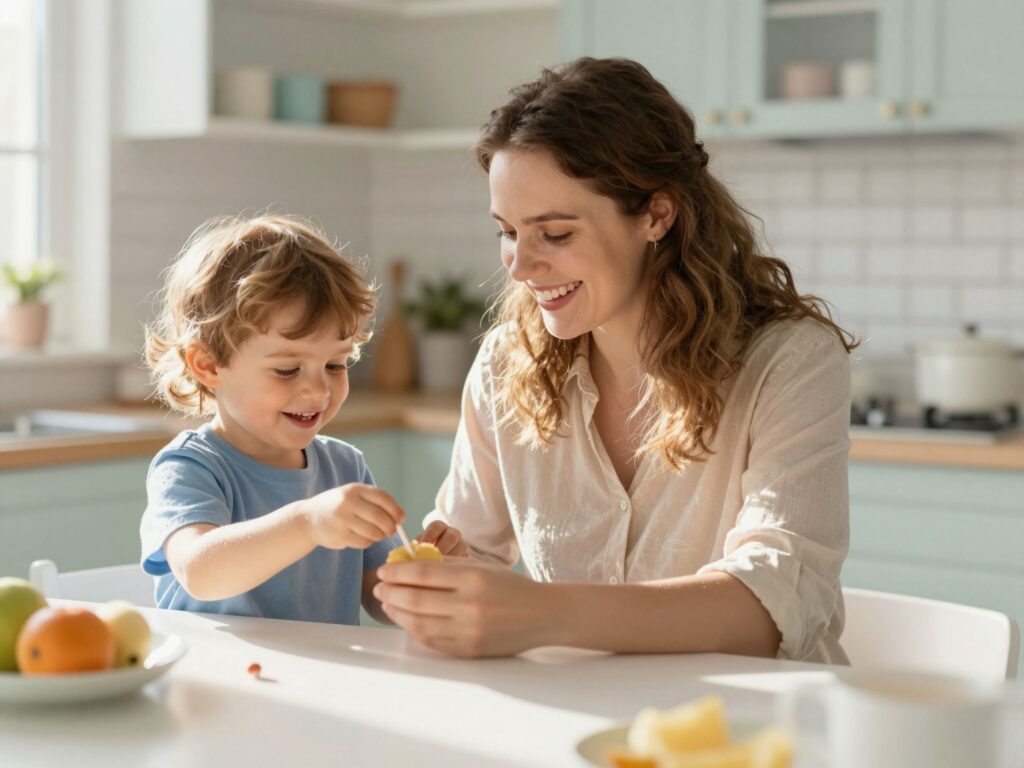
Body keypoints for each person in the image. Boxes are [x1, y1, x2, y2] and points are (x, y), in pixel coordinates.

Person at [376, 58, 857, 661]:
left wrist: (538, 612)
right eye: (507, 231)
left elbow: (779, 603)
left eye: (555, 234)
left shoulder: (790, 362)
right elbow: (466, 546)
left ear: (656, 215)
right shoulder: (508, 362)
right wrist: (430, 580)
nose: (520, 267)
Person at [140, 214, 466, 624]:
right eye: (287, 370)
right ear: (208, 364)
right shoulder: (190, 468)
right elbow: (200, 572)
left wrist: (424, 577)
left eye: (335, 364)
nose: (319, 391)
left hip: (318, 683)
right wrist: (307, 524)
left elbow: (380, 598)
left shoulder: (345, 468)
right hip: (218, 683)